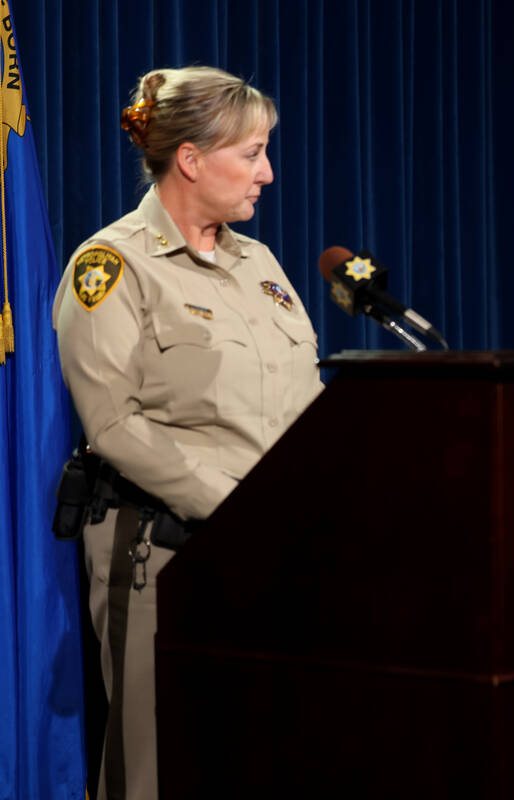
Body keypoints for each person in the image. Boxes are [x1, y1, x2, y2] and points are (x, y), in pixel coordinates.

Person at [52, 66, 323, 800]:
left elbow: (303, 398)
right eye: (253, 153)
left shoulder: (258, 263)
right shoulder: (112, 265)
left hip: (277, 553)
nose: (268, 173)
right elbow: (112, 422)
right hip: (163, 553)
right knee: (157, 762)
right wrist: (237, 511)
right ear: (192, 160)